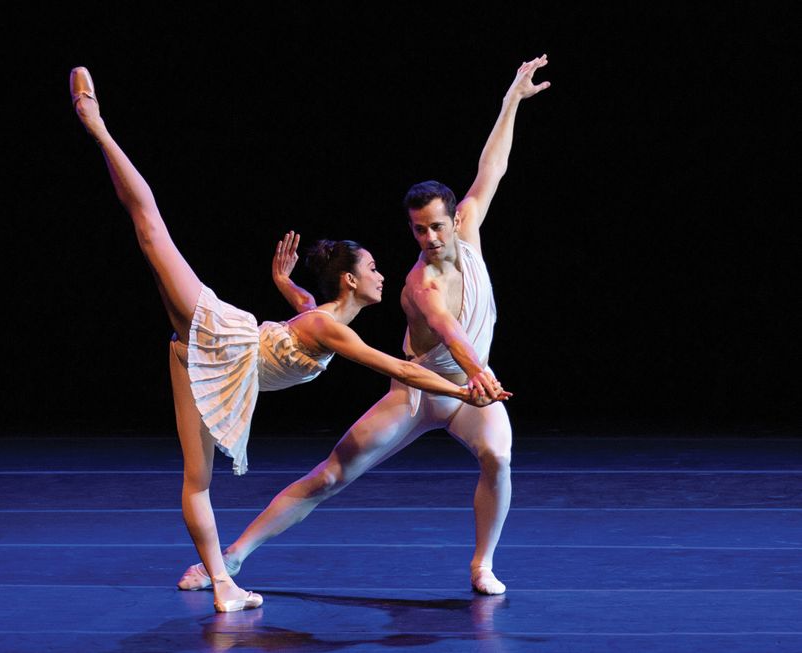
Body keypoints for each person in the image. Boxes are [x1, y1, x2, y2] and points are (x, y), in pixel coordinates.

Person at [69, 67, 506, 612]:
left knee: (199, 481)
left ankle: (224, 581)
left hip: (194, 361)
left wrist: (284, 283)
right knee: (150, 225)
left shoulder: (323, 317)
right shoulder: (343, 323)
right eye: (372, 267)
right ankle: (97, 125)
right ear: (350, 280)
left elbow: (304, 318)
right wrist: (468, 389)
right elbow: (404, 365)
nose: (383, 272)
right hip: (225, 341)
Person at [177, 55, 549, 596]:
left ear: (455, 219)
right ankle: (232, 558)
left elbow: (493, 167)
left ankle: (482, 565)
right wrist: (477, 379)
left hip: (470, 389)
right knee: (330, 476)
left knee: (499, 456)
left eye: (437, 227)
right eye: (419, 231)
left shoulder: (467, 229)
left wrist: (511, 99)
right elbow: (450, 332)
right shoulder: (419, 285)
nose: (430, 239)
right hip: (418, 393)